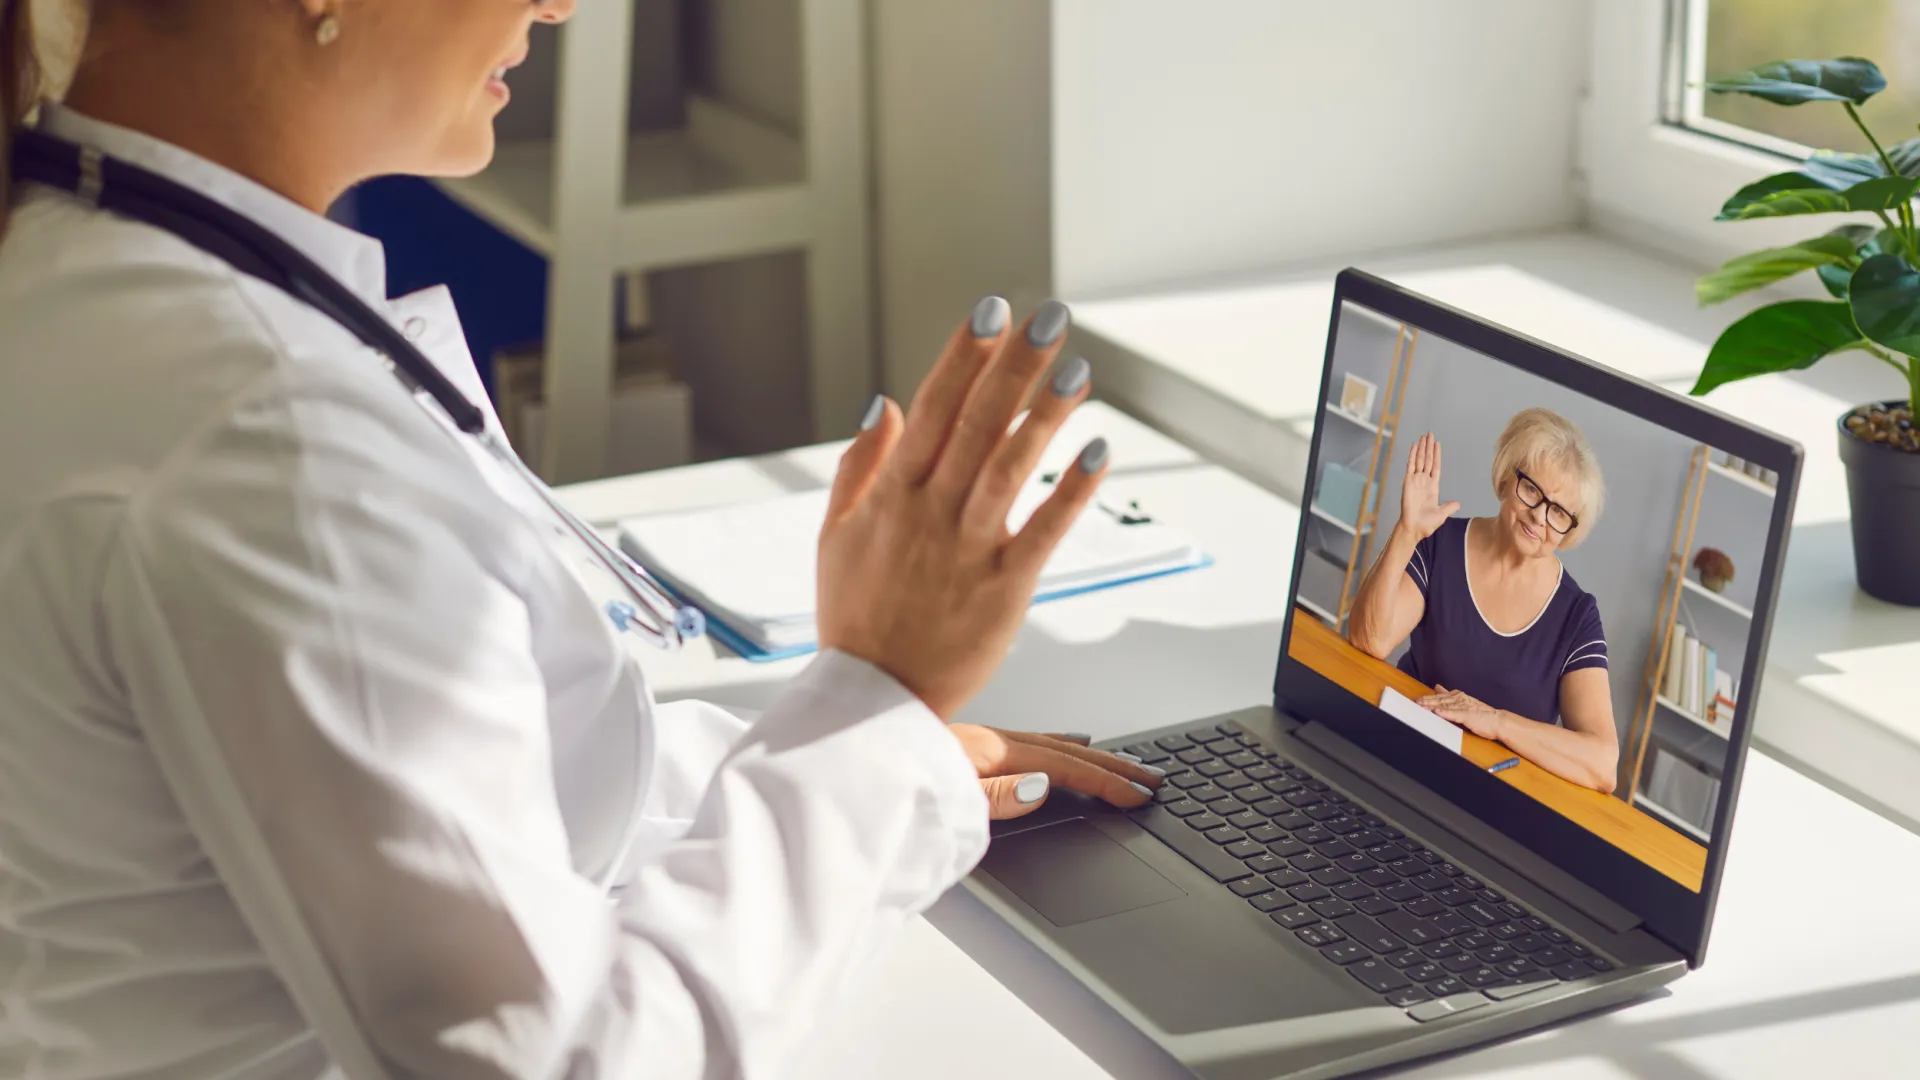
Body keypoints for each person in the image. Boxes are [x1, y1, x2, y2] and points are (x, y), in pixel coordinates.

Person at [0, 2, 1167, 1077]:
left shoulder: (73, 265)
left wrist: (858, 759)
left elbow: (404, 788)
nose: (562, 2)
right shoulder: (266, 440)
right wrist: (882, 693)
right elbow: (561, 1059)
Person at [1345, 408, 1619, 793]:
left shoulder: (1577, 616)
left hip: (1491, 799)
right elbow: (1369, 639)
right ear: (1507, 478)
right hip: (1399, 758)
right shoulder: (1440, 543)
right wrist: (1407, 532)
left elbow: (1603, 765)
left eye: (1558, 512)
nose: (1540, 517)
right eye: (1532, 491)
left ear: (1570, 528)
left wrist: (1495, 721)